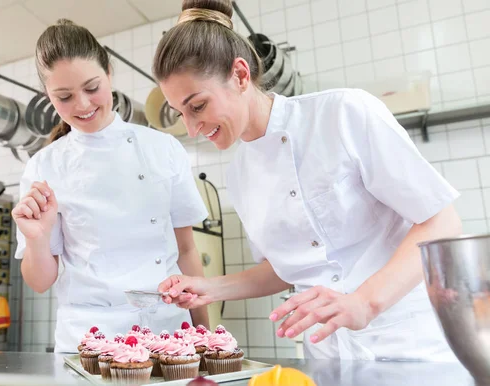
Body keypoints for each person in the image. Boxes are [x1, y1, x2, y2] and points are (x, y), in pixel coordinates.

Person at [153, 0, 462, 361]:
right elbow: (283, 270)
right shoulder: (239, 175)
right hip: (329, 354)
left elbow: (441, 221)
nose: (191, 128)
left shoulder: (343, 114)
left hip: (410, 343)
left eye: (198, 106)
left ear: (239, 76)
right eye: (180, 114)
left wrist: (364, 302)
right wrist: (209, 287)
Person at [11, 19, 209, 353]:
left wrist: (204, 333)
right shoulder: (44, 167)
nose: (83, 105)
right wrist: (36, 238)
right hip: (89, 339)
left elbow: (187, 251)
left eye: (92, 88)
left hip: (168, 331)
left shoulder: (162, 148)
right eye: (64, 96)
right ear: (48, 96)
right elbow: (40, 281)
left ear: (109, 73)